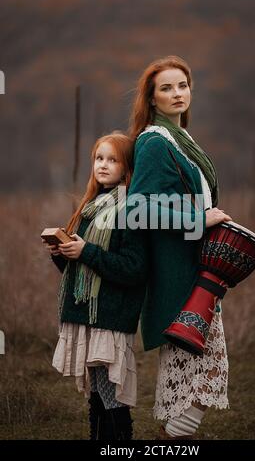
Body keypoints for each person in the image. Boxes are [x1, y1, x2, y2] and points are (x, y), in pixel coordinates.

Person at [128, 55, 232, 439]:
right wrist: (196, 220)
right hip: (178, 271)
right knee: (203, 369)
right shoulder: (154, 141)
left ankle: (175, 435)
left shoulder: (180, 137)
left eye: (183, 85)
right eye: (166, 88)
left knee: (200, 371)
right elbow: (137, 208)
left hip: (199, 267)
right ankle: (173, 438)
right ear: (152, 100)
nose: (177, 93)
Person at [42, 132, 148, 440]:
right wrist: (63, 255)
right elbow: (81, 269)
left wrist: (85, 251)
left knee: (110, 392)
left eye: (112, 160)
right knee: (98, 394)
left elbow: (134, 269)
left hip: (110, 315)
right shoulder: (91, 207)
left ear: (127, 167)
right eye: (99, 158)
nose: (103, 165)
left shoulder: (131, 210)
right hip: (87, 313)